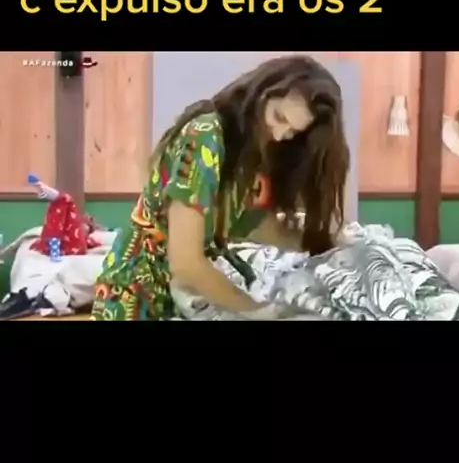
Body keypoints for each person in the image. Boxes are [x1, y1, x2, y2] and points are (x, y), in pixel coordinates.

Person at [90, 55, 350, 321]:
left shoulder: (249, 157)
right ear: (260, 93)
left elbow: (260, 227)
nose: (279, 134)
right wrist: (258, 310)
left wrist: (331, 243)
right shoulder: (204, 136)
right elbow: (186, 262)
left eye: (292, 133)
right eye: (278, 117)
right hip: (132, 301)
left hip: (176, 302)